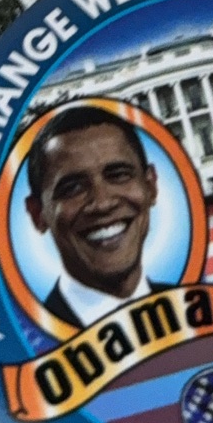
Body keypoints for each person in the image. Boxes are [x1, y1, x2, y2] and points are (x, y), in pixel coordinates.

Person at [25, 104, 171, 328]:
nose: (102, 204)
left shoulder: (190, 306)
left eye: (118, 175)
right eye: (72, 188)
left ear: (151, 186)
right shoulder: (33, 334)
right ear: (38, 214)